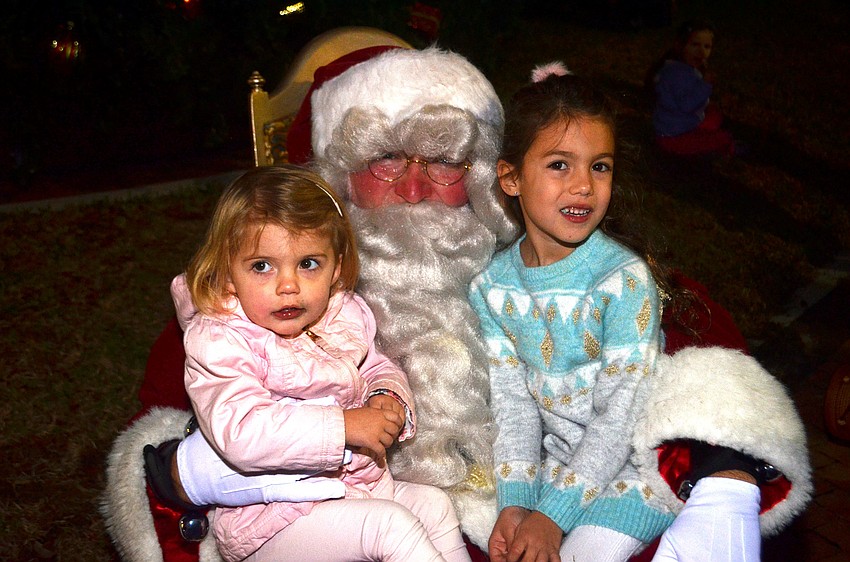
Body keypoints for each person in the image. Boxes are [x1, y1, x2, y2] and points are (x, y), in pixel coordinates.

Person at [101, 46, 811, 562]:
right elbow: (157, 459)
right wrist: (191, 472)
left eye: (440, 162)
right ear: (336, 183)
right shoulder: (256, 299)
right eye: (384, 162)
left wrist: (724, 478)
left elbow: (690, 333)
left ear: (481, 178)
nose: (413, 188)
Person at [163, 164, 471, 561]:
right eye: (262, 266)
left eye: (308, 263)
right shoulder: (220, 338)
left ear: (336, 268)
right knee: (389, 527)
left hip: (352, 489)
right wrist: (343, 426)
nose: (288, 285)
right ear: (227, 274)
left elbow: (373, 365)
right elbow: (240, 431)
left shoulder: (341, 315)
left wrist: (385, 394)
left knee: (433, 505)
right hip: (271, 522)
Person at [470, 63, 675, 562]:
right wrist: (517, 505)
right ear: (512, 177)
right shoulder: (491, 286)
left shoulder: (622, 280)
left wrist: (551, 517)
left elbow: (621, 418)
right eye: (560, 164)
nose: (584, 185)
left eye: (599, 166)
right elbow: (514, 408)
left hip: (638, 469)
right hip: (558, 472)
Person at [648, 19, 736, 157]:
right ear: (680, 45)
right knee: (722, 138)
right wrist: (705, 84)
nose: (701, 52)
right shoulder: (676, 74)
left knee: (714, 115)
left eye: (707, 47)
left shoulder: (685, 68)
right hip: (674, 135)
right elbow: (687, 105)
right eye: (695, 45)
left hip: (680, 123)